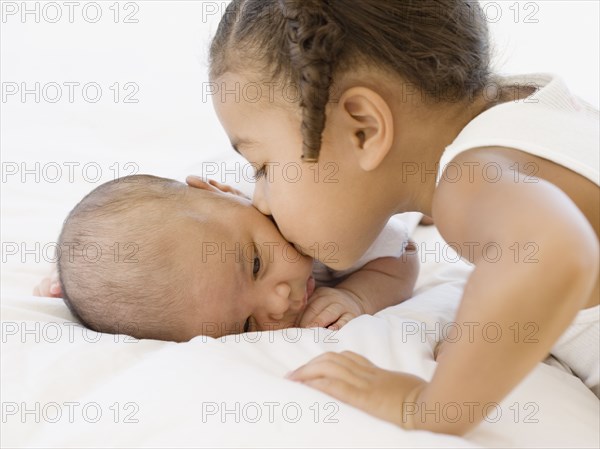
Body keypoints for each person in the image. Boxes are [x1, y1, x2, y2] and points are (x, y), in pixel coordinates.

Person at [197, 0, 599, 435]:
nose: (262, 202)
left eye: (264, 168)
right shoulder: (533, 108)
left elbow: (552, 250)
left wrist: (428, 406)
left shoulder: (466, 185)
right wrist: (483, 340)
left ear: (363, 129)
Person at [36, 175, 418, 342]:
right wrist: (84, 275)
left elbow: (405, 253)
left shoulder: (320, 218)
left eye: (255, 265)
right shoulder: (214, 229)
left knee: (414, 192)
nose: (280, 301)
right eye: (248, 326)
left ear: (223, 190)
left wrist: (358, 296)